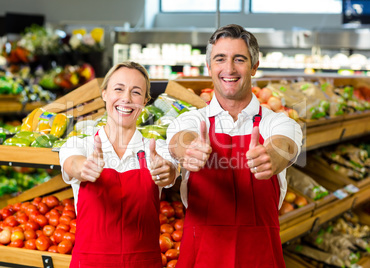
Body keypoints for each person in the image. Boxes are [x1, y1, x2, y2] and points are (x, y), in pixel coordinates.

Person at [166, 24, 303, 268]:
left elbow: (285, 145)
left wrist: (269, 157)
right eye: (220, 59)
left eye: (239, 59)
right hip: (202, 256)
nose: (229, 69)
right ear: (209, 68)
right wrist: (189, 150)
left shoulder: (278, 122)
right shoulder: (191, 120)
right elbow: (179, 139)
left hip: (259, 255)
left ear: (254, 67)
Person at [59, 61, 178, 268]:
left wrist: (167, 171)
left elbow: (169, 171)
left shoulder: (157, 148)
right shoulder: (80, 144)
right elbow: (72, 163)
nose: (126, 99)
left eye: (136, 92)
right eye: (118, 89)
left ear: (145, 101)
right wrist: (85, 167)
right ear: (104, 93)